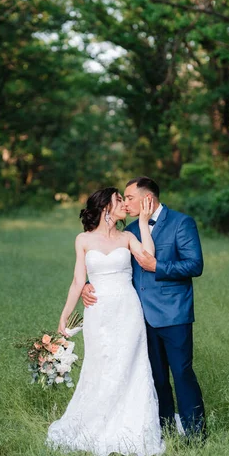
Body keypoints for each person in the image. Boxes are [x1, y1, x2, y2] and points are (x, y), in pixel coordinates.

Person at [82, 177, 206, 440]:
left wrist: (158, 267)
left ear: (147, 198)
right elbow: (113, 265)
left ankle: (196, 433)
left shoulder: (181, 223)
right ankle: (165, 428)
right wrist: (88, 285)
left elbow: (195, 265)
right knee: (155, 377)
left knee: (182, 374)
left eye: (129, 198)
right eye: (123, 199)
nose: (125, 204)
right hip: (137, 317)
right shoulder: (131, 232)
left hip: (174, 314)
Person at [47, 187, 165, 456]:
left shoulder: (128, 236)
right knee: (100, 365)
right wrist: (64, 315)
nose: (124, 203)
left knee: (131, 365)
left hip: (128, 310)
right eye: (119, 200)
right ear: (105, 208)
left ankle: (131, 425)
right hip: (98, 313)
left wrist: (145, 224)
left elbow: (148, 258)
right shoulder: (83, 240)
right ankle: (94, 422)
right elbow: (79, 280)